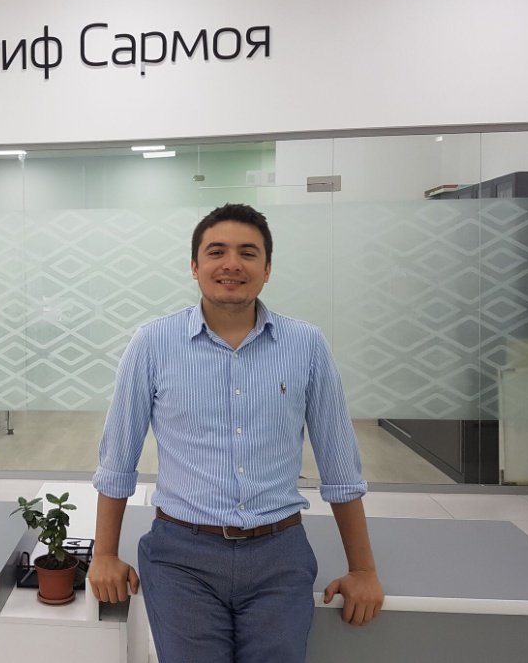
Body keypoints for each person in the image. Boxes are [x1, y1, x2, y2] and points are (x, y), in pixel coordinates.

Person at [89, 203, 383, 663]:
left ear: (267, 269)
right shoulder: (152, 343)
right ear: (194, 266)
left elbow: (340, 466)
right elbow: (117, 461)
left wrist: (362, 568)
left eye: (248, 253)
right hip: (180, 556)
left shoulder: (306, 345)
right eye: (216, 252)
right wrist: (103, 555)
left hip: (279, 556)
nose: (232, 264)